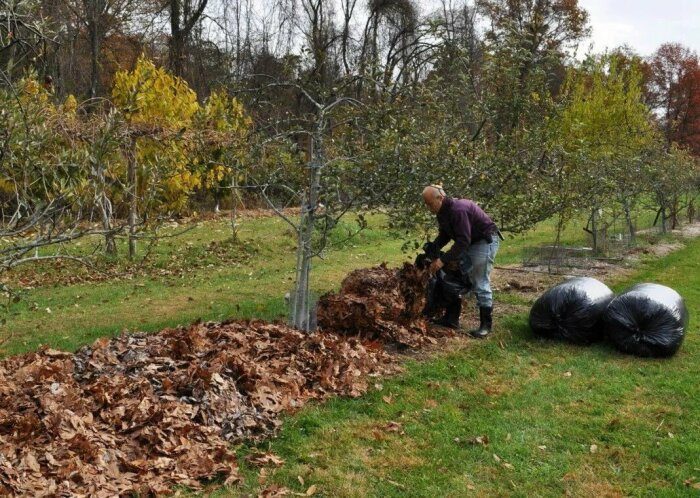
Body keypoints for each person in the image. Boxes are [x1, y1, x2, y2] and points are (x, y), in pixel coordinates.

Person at [421, 185, 501, 338]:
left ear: (440, 198)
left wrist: (442, 260)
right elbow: (445, 234)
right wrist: (433, 248)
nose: (428, 207)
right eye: (426, 204)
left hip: (484, 241)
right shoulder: (441, 212)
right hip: (470, 242)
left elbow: (463, 240)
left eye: (430, 203)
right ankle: (451, 319)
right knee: (453, 275)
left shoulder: (458, 210)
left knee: (480, 280)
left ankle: (485, 326)